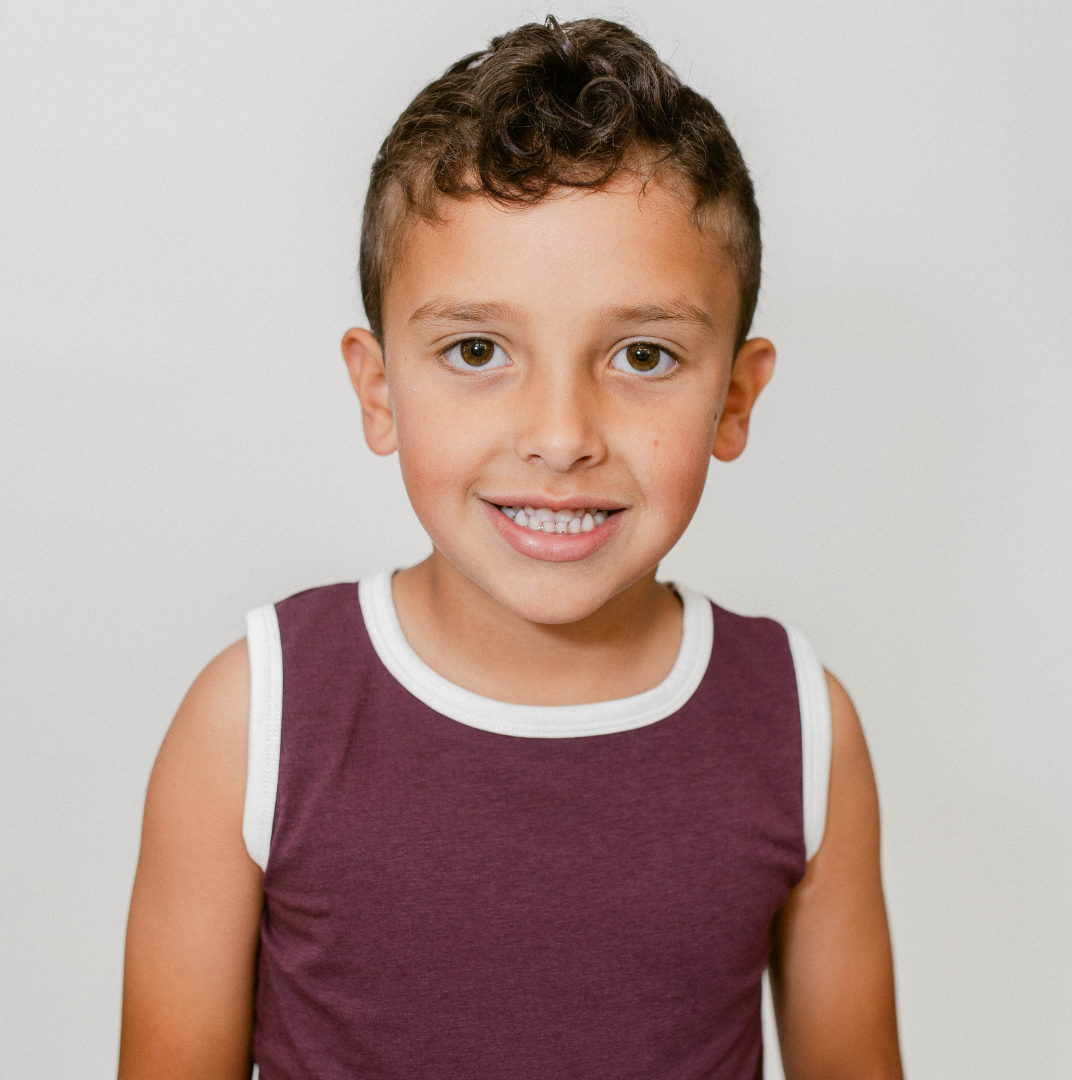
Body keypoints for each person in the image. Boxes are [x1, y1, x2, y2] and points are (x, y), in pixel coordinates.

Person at [118, 17, 903, 1080]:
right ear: (379, 389)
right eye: (478, 349)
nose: (561, 435)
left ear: (734, 398)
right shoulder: (254, 719)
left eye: (642, 355)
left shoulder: (802, 724)